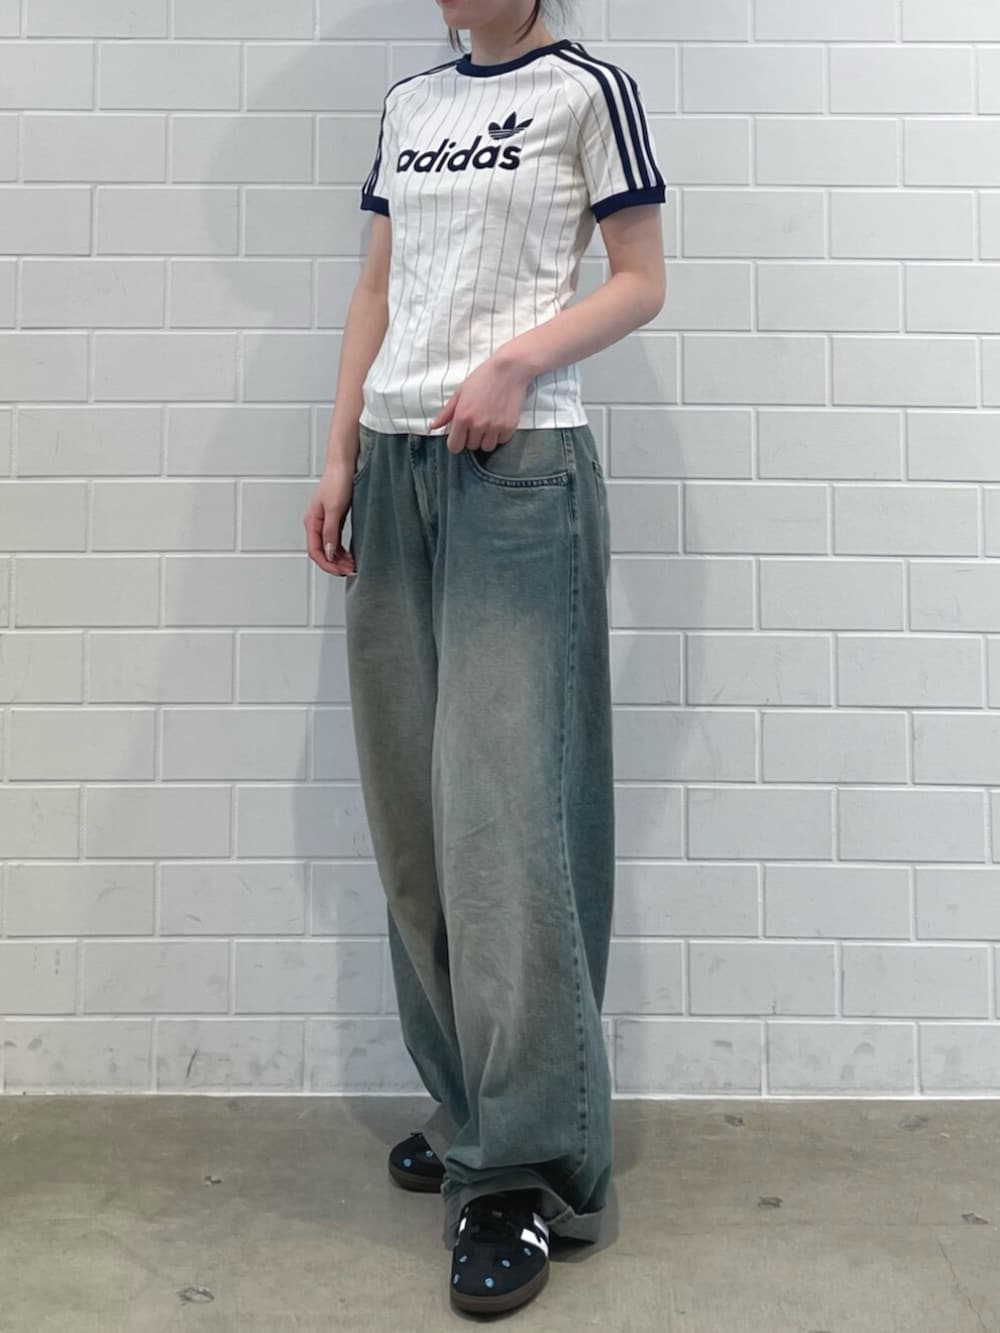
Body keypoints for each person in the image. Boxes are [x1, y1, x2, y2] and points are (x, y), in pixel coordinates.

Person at [303, 0, 666, 1316]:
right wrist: (340, 455)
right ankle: (470, 1106)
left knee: (506, 822)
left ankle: (527, 1168)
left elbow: (639, 278)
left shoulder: (587, 91)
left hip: (519, 474)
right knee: (417, 818)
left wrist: (517, 361)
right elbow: (376, 289)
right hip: (398, 466)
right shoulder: (412, 104)